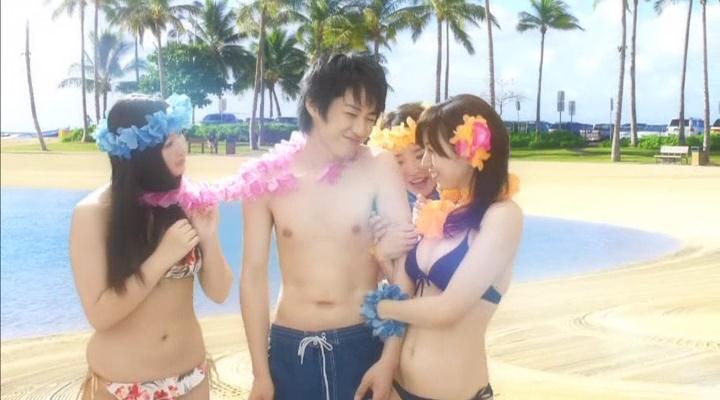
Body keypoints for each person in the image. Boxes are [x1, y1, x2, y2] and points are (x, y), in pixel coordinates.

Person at [240, 53, 411, 400]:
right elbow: (254, 277)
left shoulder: (380, 167)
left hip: (364, 341)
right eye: (351, 114)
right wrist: (261, 372)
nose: (361, 130)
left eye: (370, 118)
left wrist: (389, 360)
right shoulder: (265, 177)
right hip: (291, 348)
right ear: (314, 105)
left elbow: (406, 267)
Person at [70, 94, 233, 400]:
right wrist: (162, 257)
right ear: (139, 153)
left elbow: (221, 292)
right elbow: (100, 315)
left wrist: (209, 238)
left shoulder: (188, 202)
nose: (182, 147)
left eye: (180, 134)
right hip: (121, 385)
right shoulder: (94, 213)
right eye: (168, 143)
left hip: (191, 378)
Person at [365, 94, 523, 400]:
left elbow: (447, 309)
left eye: (432, 152)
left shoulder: (503, 217)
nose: (425, 164)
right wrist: (387, 363)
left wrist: (376, 306)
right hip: (397, 388)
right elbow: (405, 292)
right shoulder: (437, 212)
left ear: (469, 151)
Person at [368, 102, 438, 210]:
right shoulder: (382, 208)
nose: (413, 170)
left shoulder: (462, 197)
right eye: (399, 162)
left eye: (420, 155)